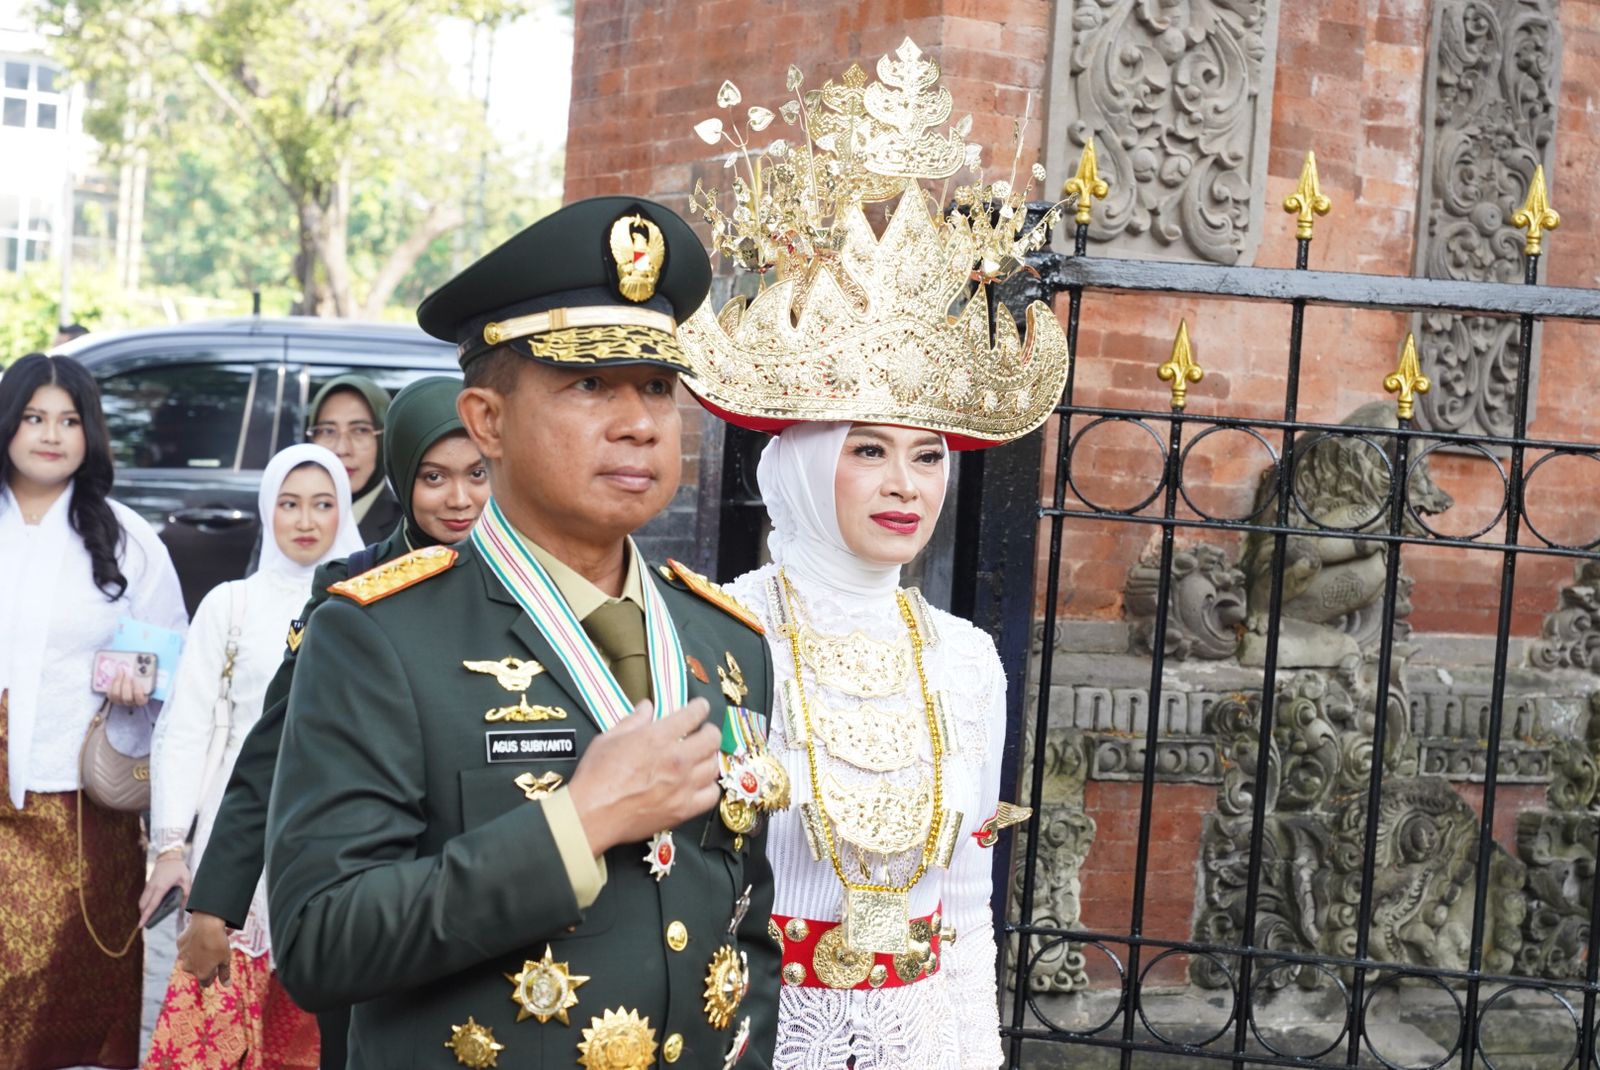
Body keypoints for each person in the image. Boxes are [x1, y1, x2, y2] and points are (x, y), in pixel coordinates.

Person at [264, 197, 782, 1070]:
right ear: (488, 421)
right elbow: (322, 939)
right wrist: (578, 822)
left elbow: (744, 931)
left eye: (658, 387)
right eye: (591, 384)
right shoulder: (379, 635)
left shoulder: (728, 642)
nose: (640, 422)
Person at [672, 41, 1071, 1069]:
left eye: (928, 455)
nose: (906, 484)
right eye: (868, 451)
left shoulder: (967, 660)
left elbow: (969, 909)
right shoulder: (717, 630)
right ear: (807, 465)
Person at [178, 375, 491, 1070]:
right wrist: (217, 902)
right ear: (402, 475)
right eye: (434, 476)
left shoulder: (531, 586)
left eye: (478, 473)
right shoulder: (353, 588)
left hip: (492, 887)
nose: (459, 498)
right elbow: (275, 745)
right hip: (373, 895)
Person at [140, 443, 363, 1069]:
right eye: (289, 504)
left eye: (323, 504)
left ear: (344, 510)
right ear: (267, 510)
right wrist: (171, 845)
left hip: (334, 840)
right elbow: (186, 728)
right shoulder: (231, 604)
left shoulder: (369, 600)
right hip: (236, 840)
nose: (305, 520)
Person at [0, 352, 188, 1070]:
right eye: (34, 417)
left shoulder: (126, 538)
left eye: (69, 420)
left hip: (82, 811)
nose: (51, 435)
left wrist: (141, 679)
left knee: (71, 995)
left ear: (91, 433)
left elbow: (176, 663)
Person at [307, 374, 402, 543]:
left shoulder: (406, 530)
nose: (342, 449)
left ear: (385, 438)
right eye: (328, 431)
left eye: (360, 430)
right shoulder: (285, 520)